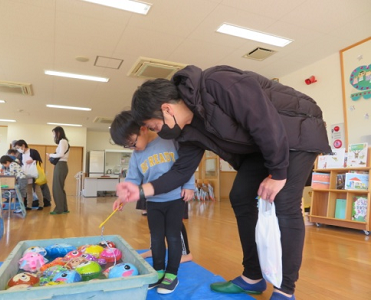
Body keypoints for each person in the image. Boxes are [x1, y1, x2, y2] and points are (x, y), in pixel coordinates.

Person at [116, 65, 331, 300]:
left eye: (156, 127)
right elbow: (180, 172)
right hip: (262, 146)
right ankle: (253, 277)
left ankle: (285, 290)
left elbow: (264, 122)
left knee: (285, 201)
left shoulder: (219, 82)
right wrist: (140, 190)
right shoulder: (187, 131)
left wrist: (278, 174)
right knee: (239, 196)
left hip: (297, 131)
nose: (159, 132)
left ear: (166, 109)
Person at [111, 111, 195, 294]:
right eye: (128, 146)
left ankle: (172, 274)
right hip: (153, 202)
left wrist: (189, 185)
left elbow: (186, 163)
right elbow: (132, 178)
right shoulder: (136, 156)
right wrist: (122, 197)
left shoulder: (168, 140)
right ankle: (158, 271)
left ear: (143, 129)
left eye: (133, 142)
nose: (133, 148)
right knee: (156, 237)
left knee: (173, 236)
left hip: (175, 199)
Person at [14, 140, 44, 210]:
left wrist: (33, 161)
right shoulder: (20, 154)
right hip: (26, 174)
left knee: (37, 189)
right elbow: (19, 163)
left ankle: (41, 204)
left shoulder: (33, 151)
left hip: (34, 173)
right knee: (28, 190)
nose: (18, 149)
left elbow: (40, 161)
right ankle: (29, 205)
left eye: (18, 147)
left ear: (23, 145)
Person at [47, 126, 69, 215]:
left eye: (54, 133)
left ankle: (59, 209)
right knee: (60, 188)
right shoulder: (64, 141)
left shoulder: (62, 141)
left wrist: (50, 155)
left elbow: (60, 154)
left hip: (61, 165)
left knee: (57, 188)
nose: (53, 136)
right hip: (62, 165)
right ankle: (63, 208)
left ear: (58, 133)